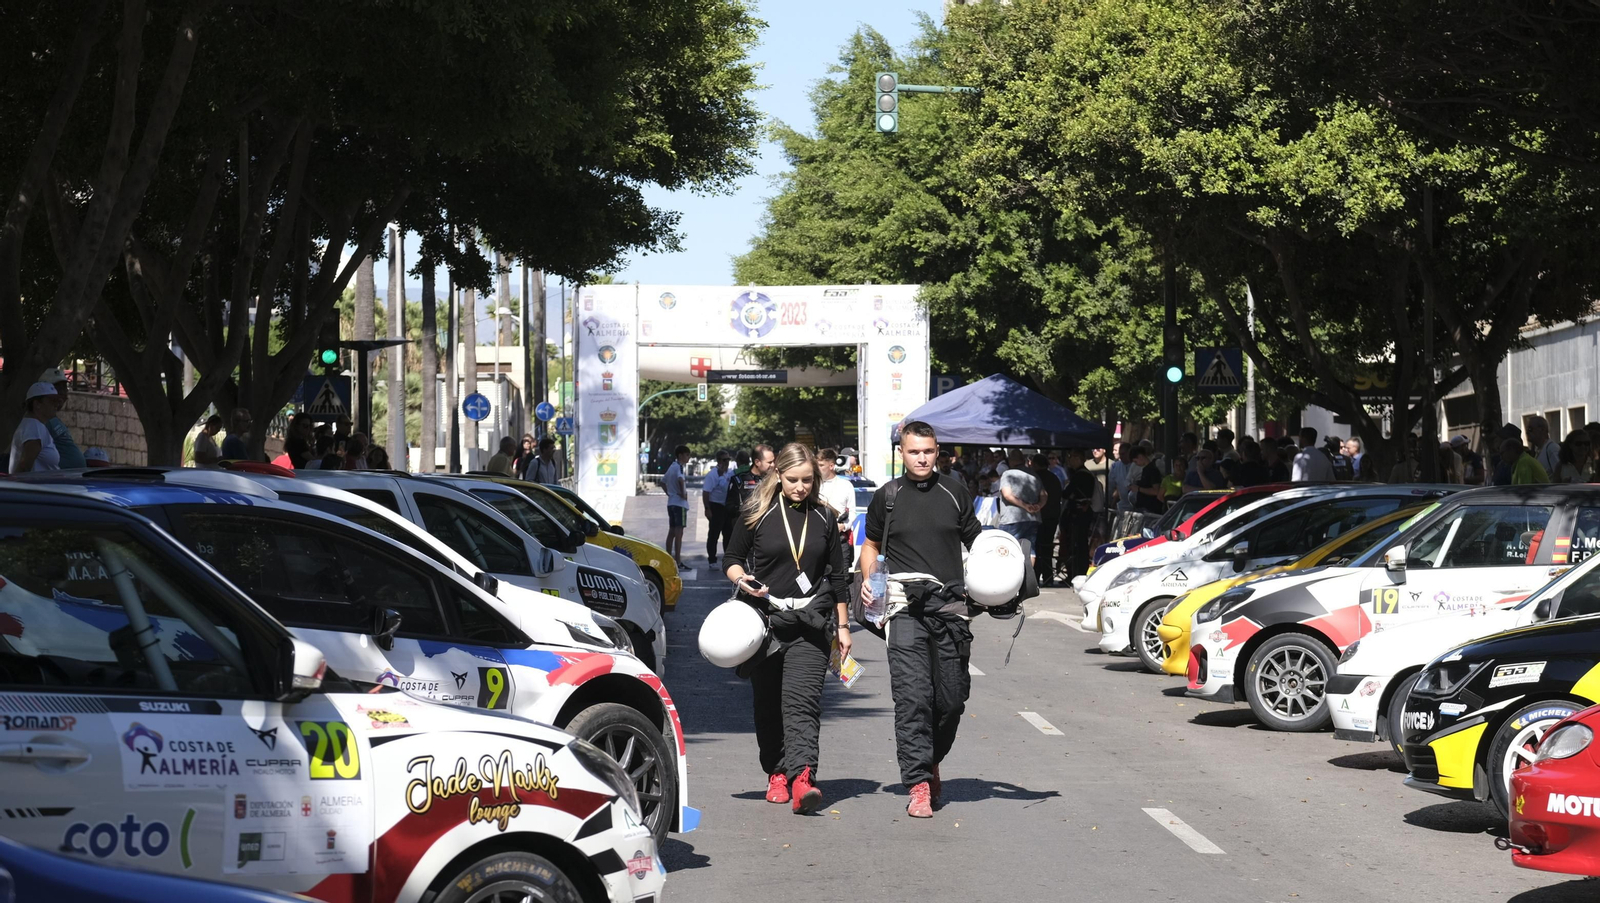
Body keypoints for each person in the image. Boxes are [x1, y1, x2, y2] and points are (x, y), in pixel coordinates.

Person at [858, 421, 981, 818]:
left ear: (937, 450)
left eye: (928, 451)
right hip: (903, 609)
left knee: (951, 701)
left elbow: (977, 543)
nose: (922, 458)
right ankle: (919, 785)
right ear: (903, 453)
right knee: (913, 699)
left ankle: (930, 760)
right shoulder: (888, 497)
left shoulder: (955, 491)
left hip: (950, 612)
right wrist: (868, 580)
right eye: (914, 452)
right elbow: (870, 545)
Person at [724, 443, 851, 814]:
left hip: (811, 623)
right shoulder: (757, 513)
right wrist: (742, 579)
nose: (800, 487)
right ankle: (776, 772)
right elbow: (732, 559)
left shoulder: (825, 518)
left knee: (803, 703)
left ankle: (802, 777)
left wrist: (843, 627)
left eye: (807, 480)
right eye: (792, 480)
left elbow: (838, 576)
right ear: (777, 475)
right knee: (767, 704)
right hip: (766, 622)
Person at [997, 455, 1044, 565]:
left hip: (1012, 519)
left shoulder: (1007, 474)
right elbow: (1044, 495)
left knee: (1008, 550)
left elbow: (1007, 495)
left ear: (1011, 461)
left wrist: (1024, 506)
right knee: (1030, 551)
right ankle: (1028, 578)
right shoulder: (1033, 474)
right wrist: (1039, 505)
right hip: (1033, 518)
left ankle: (1012, 580)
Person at [37, 368, 84, 469]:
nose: (64, 394)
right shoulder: (41, 420)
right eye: (58, 389)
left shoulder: (52, 418)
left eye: (64, 389)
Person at [10, 382, 63, 473]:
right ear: (37, 404)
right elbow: (24, 465)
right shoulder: (34, 428)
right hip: (36, 486)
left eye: (57, 401)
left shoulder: (34, 425)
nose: (56, 405)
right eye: (52, 401)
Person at [1029, 453, 1064, 586]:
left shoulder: (1035, 478)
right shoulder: (1054, 477)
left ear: (1035, 464)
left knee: (1037, 547)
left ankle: (1036, 576)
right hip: (1052, 516)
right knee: (1047, 548)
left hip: (1039, 516)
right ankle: (1048, 577)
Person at [1062, 450, 1096, 580]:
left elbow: (1067, 493)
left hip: (1078, 513)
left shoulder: (1081, 475)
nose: (1069, 460)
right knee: (1079, 543)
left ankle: (1077, 572)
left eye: (1072, 457)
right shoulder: (1082, 474)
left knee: (1077, 544)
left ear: (1079, 459)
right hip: (1082, 512)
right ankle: (1076, 571)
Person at [725, 444, 775, 528]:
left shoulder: (775, 480)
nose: (773, 465)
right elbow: (730, 507)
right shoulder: (739, 480)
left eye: (773, 461)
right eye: (769, 462)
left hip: (766, 528)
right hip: (745, 528)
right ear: (757, 462)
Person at [702, 450, 737, 563]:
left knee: (728, 534)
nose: (726, 462)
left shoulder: (731, 473)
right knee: (714, 534)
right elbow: (706, 492)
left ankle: (728, 559)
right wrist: (707, 508)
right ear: (718, 461)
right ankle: (712, 559)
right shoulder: (712, 474)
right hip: (716, 506)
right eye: (724, 460)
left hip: (727, 506)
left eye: (728, 459)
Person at [817, 448, 855, 542]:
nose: (817, 468)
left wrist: (844, 526)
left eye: (821, 465)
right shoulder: (812, 485)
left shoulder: (846, 485)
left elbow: (852, 512)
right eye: (816, 465)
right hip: (818, 536)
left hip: (840, 538)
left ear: (831, 466)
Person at [664, 445, 691, 568]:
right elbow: (681, 480)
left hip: (671, 502)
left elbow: (662, 482)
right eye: (687, 455)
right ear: (680, 455)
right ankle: (678, 561)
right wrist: (683, 493)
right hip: (679, 504)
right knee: (679, 533)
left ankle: (669, 558)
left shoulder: (671, 467)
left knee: (672, 532)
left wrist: (670, 493)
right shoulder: (679, 467)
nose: (688, 457)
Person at [1130, 445, 1164, 515]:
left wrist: (1139, 488)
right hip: (1143, 507)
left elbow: (1156, 491)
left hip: (1149, 509)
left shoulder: (1152, 470)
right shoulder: (1146, 469)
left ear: (1140, 457)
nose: (1136, 464)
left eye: (1136, 461)